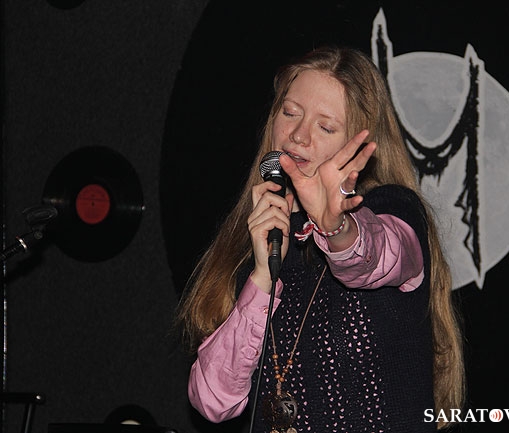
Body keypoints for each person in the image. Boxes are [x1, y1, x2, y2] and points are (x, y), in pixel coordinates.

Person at [176, 45, 465, 432]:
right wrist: (261, 277)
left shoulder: (394, 210)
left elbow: (375, 256)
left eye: (325, 127)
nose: (298, 135)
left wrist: (335, 227)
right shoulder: (258, 235)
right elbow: (212, 402)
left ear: (359, 147)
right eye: (290, 112)